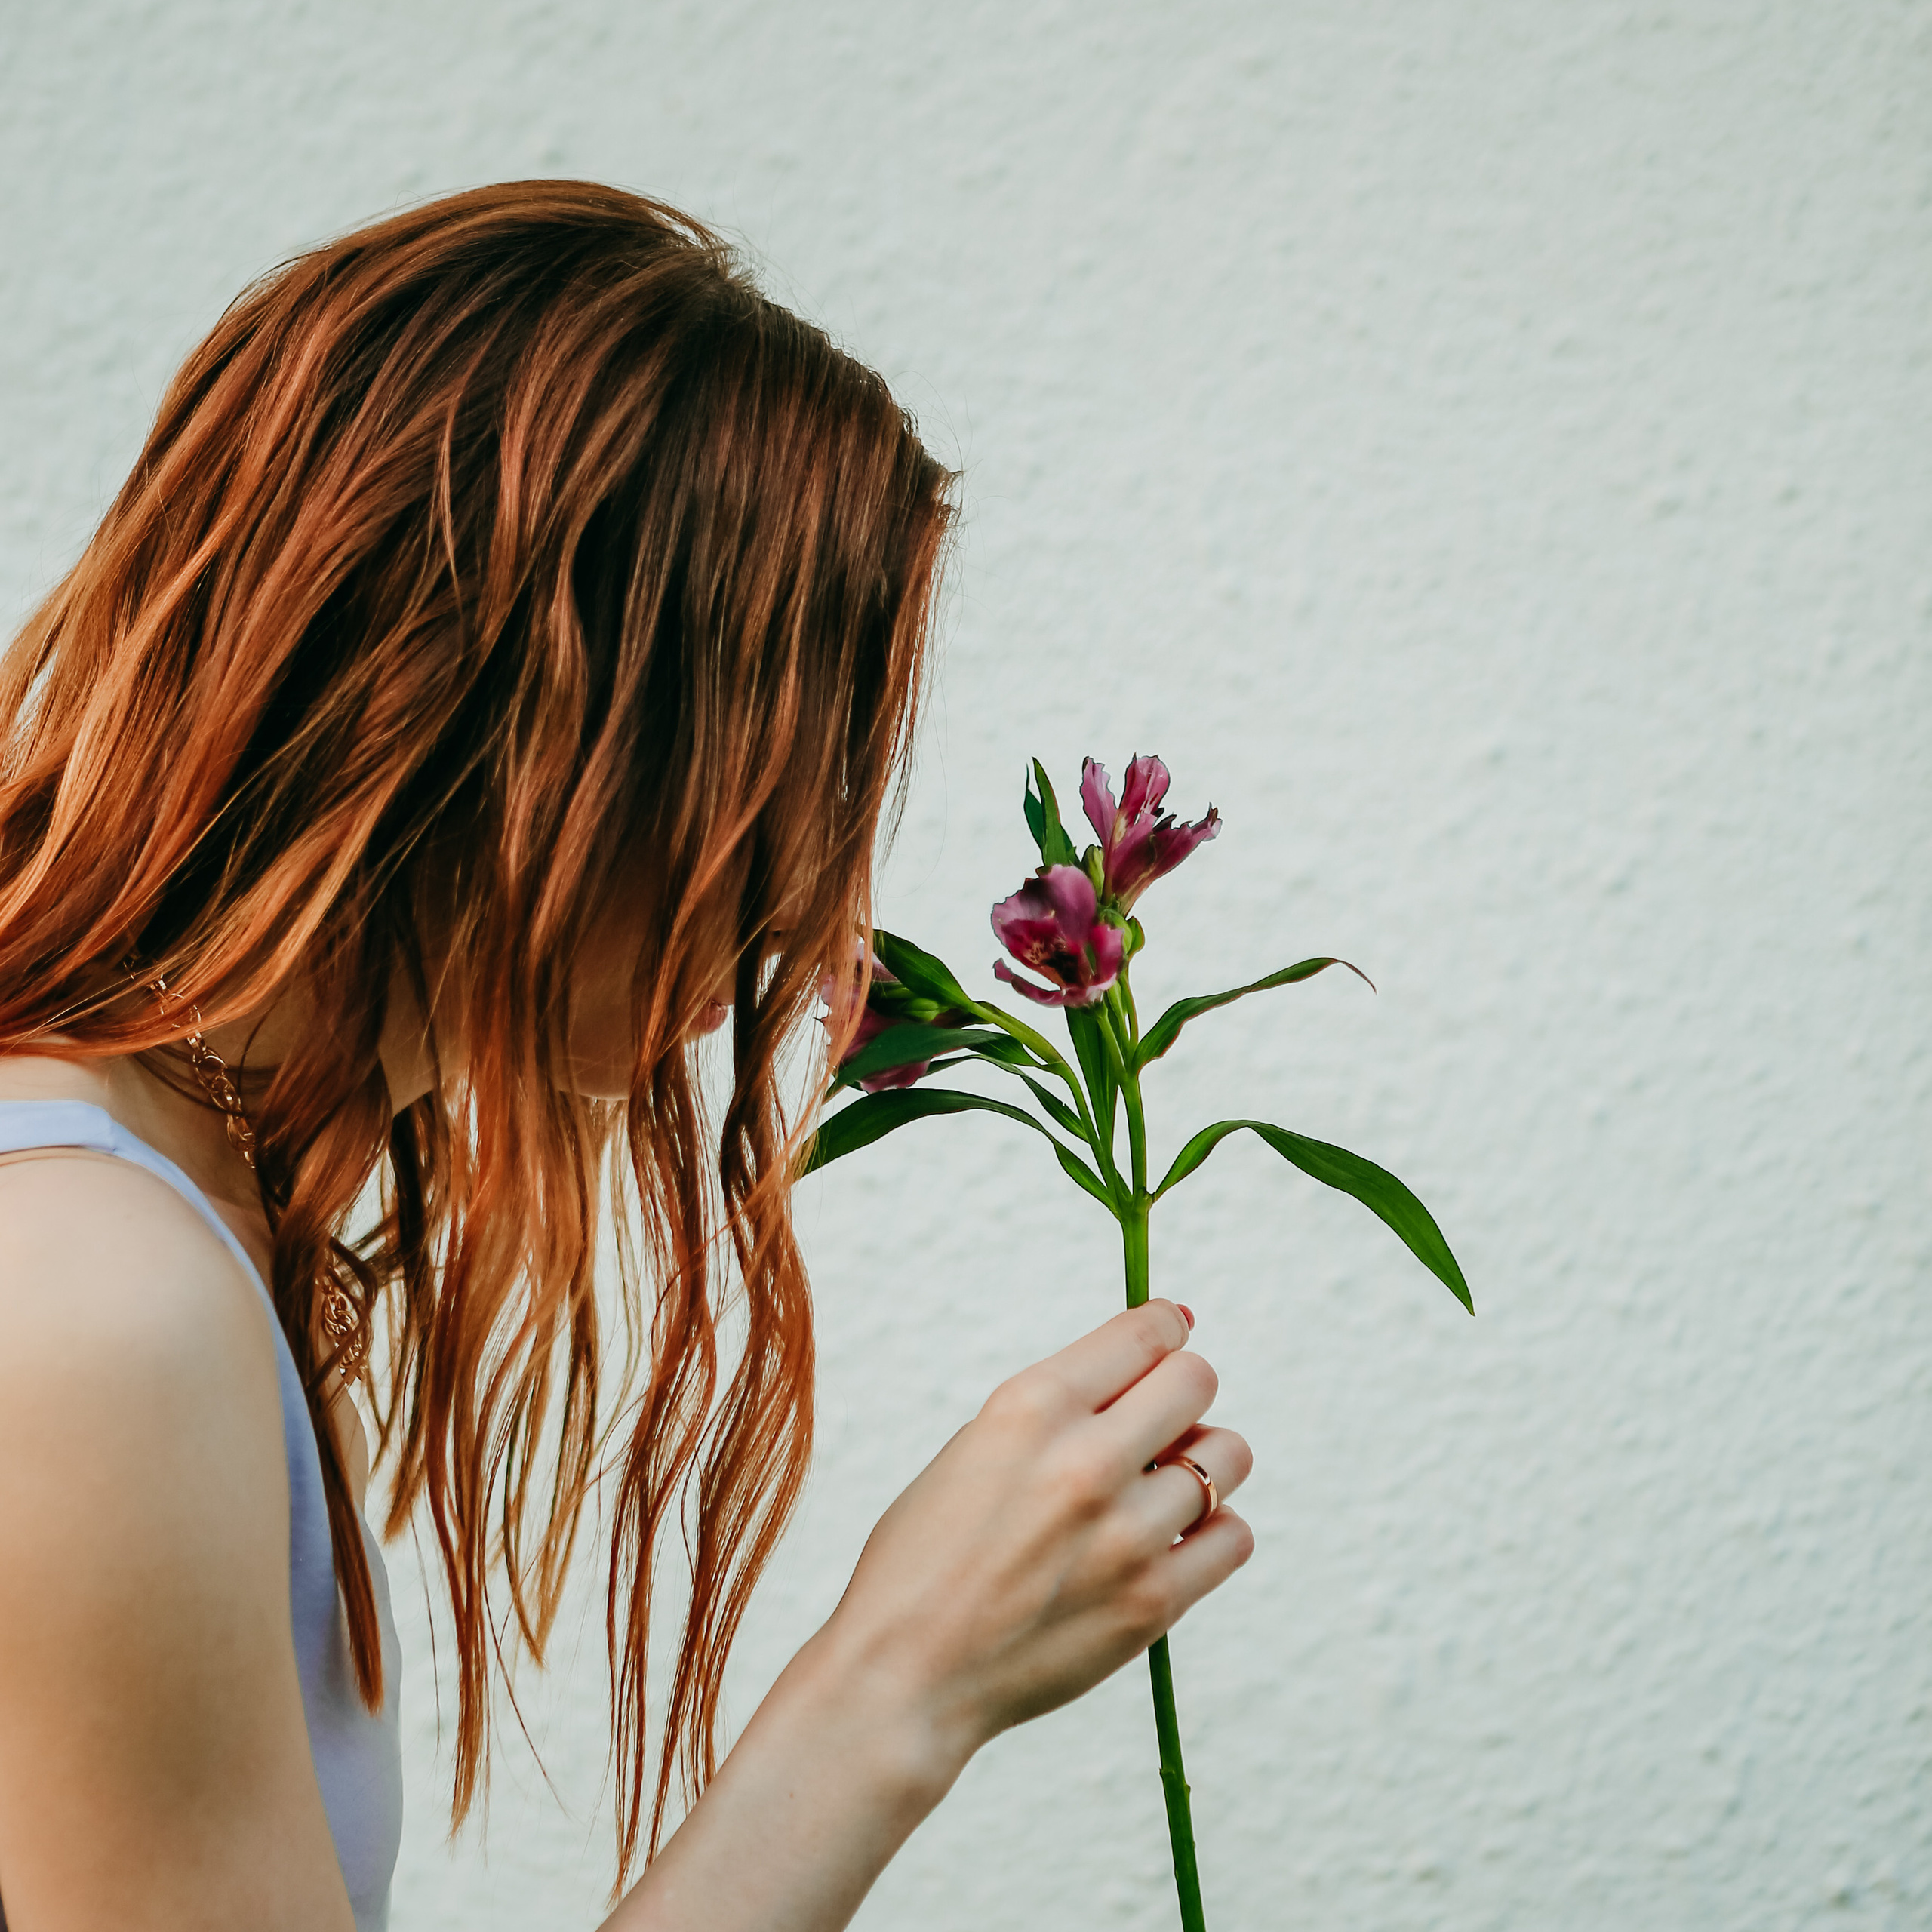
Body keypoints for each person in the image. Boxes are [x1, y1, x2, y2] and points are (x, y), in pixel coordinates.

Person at [0, 181, 1254, 1932]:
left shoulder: (172, 1204)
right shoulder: (87, 1299)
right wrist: (899, 1683)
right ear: (511, 718)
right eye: (782, 761)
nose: (815, 903)